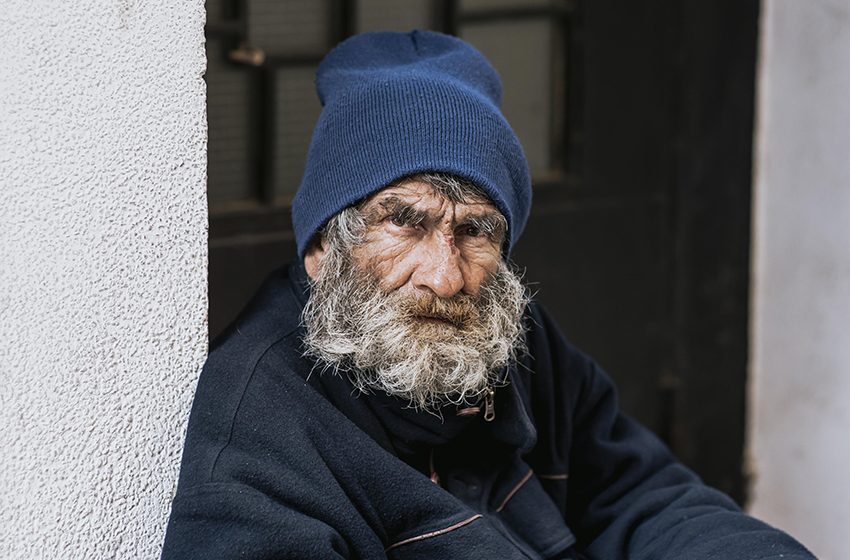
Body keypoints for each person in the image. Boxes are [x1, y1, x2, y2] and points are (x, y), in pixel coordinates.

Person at [161, 31, 814, 559]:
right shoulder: (262, 421)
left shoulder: (503, 332)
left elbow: (639, 495)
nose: (444, 277)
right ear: (322, 248)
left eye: (475, 230)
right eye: (404, 221)